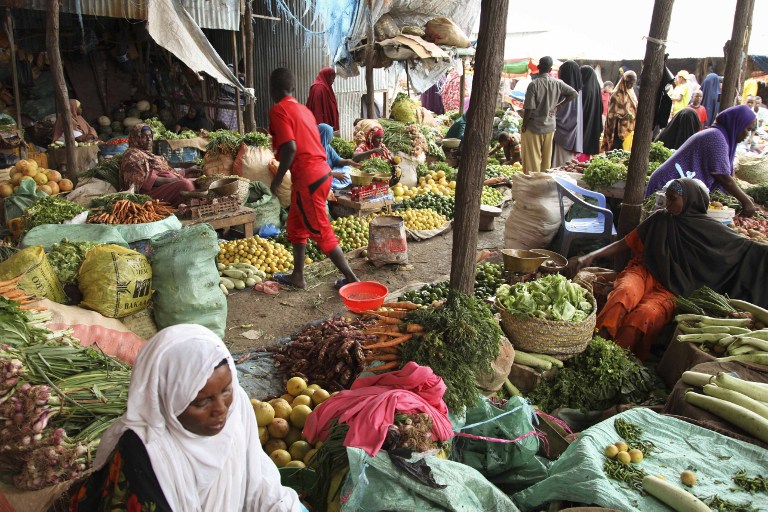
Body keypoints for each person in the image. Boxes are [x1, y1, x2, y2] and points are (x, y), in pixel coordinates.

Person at [70, 324, 303, 511]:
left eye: (226, 391)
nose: (221, 409)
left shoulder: (237, 405)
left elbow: (259, 480)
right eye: (202, 402)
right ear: (167, 402)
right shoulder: (144, 451)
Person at [569, 178, 768, 360]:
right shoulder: (660, 219)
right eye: (668, 198)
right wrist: (593, 255)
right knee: (624, 292)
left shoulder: (712, 230)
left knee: (646, 314)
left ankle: (615, 357)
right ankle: (596, 343)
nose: (668, 204)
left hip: (672, 289)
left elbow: (745, 249)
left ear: (690, 200)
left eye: (673, 199)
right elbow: (626, 242)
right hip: (644, 272)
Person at [268, 68, 359, 290]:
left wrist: (278, 179)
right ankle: (297, 276)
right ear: (293, 89)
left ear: (273, 90)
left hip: (309, 178)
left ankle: (352, 279)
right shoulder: (305, 111)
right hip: (320, 173)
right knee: (296, 226)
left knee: (321, 231)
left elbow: (290, 148)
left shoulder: (279, 110)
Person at [646, 105, 756, 216]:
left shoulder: (721, 137)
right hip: (668, 187)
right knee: (661, 225)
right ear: (737, 124)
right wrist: (745, 201)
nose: (747, 134)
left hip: (679, 188)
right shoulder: (716, 137)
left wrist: (744, 197)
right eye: (748, 129)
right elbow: (724, 178)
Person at [520, 56, 578, 174]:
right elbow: (573, 93)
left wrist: (524, 124)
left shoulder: (534, 84)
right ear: (550, 70)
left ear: (538, 67)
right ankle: (543, 181)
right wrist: (559, 106)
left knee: (532, 158)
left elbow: (529, 108)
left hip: (533, 126)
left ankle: (533, 182)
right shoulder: (558, 83)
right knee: (546, 158)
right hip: (550, 126)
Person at [120, 124, 197, 206]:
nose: (149, 139)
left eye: (150, 136)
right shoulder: (132, 155)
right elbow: (141, 180)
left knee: (197, 182)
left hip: (165, 186)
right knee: (186, 185)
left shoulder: (149, 154)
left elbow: (167, 171)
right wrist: (173, 181)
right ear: (136, 138)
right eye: (144, 137)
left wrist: (187, 171)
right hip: (148, 193)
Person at [552, 60, 583, 167]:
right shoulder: (578, 91)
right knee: (566, 163)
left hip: (561, 131)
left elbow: (559, 112)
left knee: (558, 164)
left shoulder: (564, 90)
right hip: (572, 131)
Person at [601, 71, 638, 153]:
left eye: (633, 83)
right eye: (630, 83)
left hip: (629, 129)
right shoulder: (616, 95)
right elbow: (611, 114)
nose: (631, 86)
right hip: (617, 130)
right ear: (625, 82)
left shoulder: (631, 93)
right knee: (616, 151)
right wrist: (623, 116)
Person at [318, 123, 360, 190]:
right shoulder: (314, 151)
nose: (332, 137)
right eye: (330, 135)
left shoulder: (327, 147)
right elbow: (316, 172)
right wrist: (333, 174)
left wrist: (349, 161)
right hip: (320, 179)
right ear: (325, 135)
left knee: (347, 169)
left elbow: (337, 160)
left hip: (330, 173)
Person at [306, 67, 339, 132]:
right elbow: (317, 110)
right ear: (326, 76)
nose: (333, 81)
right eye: (331, 78)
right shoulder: (319, 88)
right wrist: (320, 129)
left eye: (334, 78)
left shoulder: (326, 87)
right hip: (322, 126)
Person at [580, 65, 603, 156]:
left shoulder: (585, 89)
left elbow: (582, 109)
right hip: (594, 123)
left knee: (583, 147)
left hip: (585, 123)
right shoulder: (596, 88)